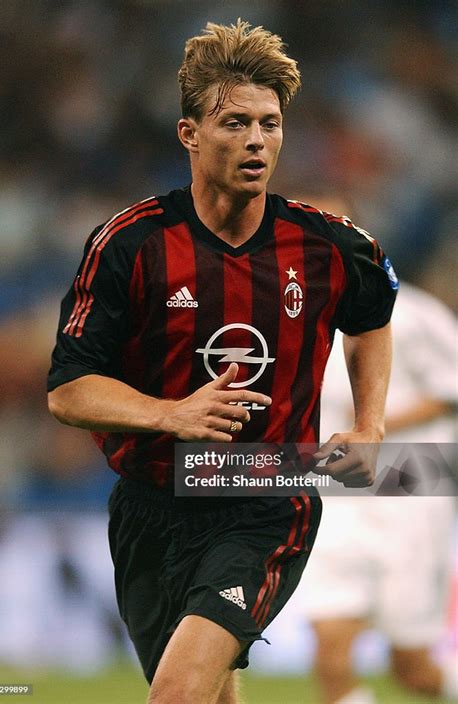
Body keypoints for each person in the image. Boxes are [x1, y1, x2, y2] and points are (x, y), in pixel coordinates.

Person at [47, 20, 397, 704]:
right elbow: (67, 390)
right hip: (153, 504)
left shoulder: (330, 246)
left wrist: (371, 423)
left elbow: (373, 319)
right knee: (209, 695)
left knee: (176, 695)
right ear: (189, 134)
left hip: (268, 496)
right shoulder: (131, 244)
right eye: (235, 122)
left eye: (269, 123)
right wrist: (168, 413)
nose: (257, 140)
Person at [300, 280, 457, 704]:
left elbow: (450, 391)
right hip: (335, 488)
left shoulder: (417, 314)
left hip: (411, 489)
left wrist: (371, 425)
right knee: (329, 652)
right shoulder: (293, 311)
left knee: (413, 670)